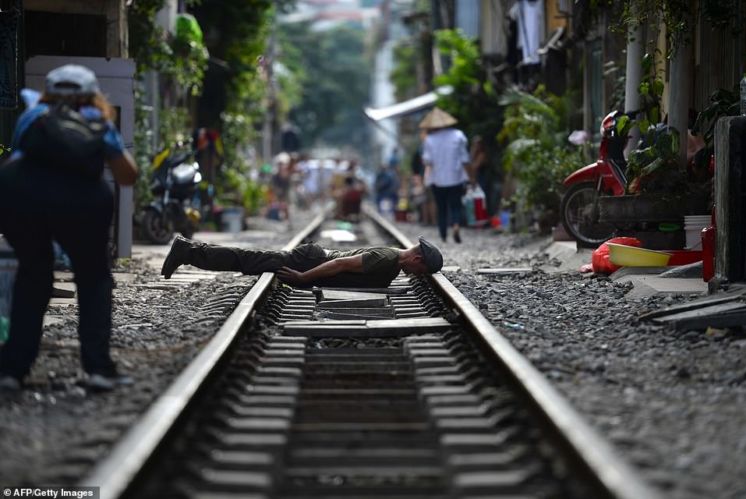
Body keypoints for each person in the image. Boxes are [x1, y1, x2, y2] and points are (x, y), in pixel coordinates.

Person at [0, 65, 138, 392]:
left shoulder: (33, 115)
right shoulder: (96, 120)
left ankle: (11, 371)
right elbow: (127, 176)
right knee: (93, 280)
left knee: (33, 276)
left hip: (24, 198)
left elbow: (16, 160)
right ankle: (98, 369)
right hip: (84, 203)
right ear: (93, 95)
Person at [160, 235, 443, 289]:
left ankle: (190, 252)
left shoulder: (393, 263)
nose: (419, 275)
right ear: (417, 258)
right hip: (311, 260)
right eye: (422, 270)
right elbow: (340, 265)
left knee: (249, 261)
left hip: (313, 260)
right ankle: (189, 251)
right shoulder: (387, 259)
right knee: (247, 260)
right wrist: (304, 278)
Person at [420, 108, 470, 243]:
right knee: (455, 205)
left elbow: (427, 161)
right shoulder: (459, 135)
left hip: (438, 179)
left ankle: (443, 234)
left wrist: (426, 178)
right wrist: (471, 177)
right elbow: (465, 158)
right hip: (456, 177)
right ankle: (456, 225)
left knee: (441, 207)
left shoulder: (429, 140)